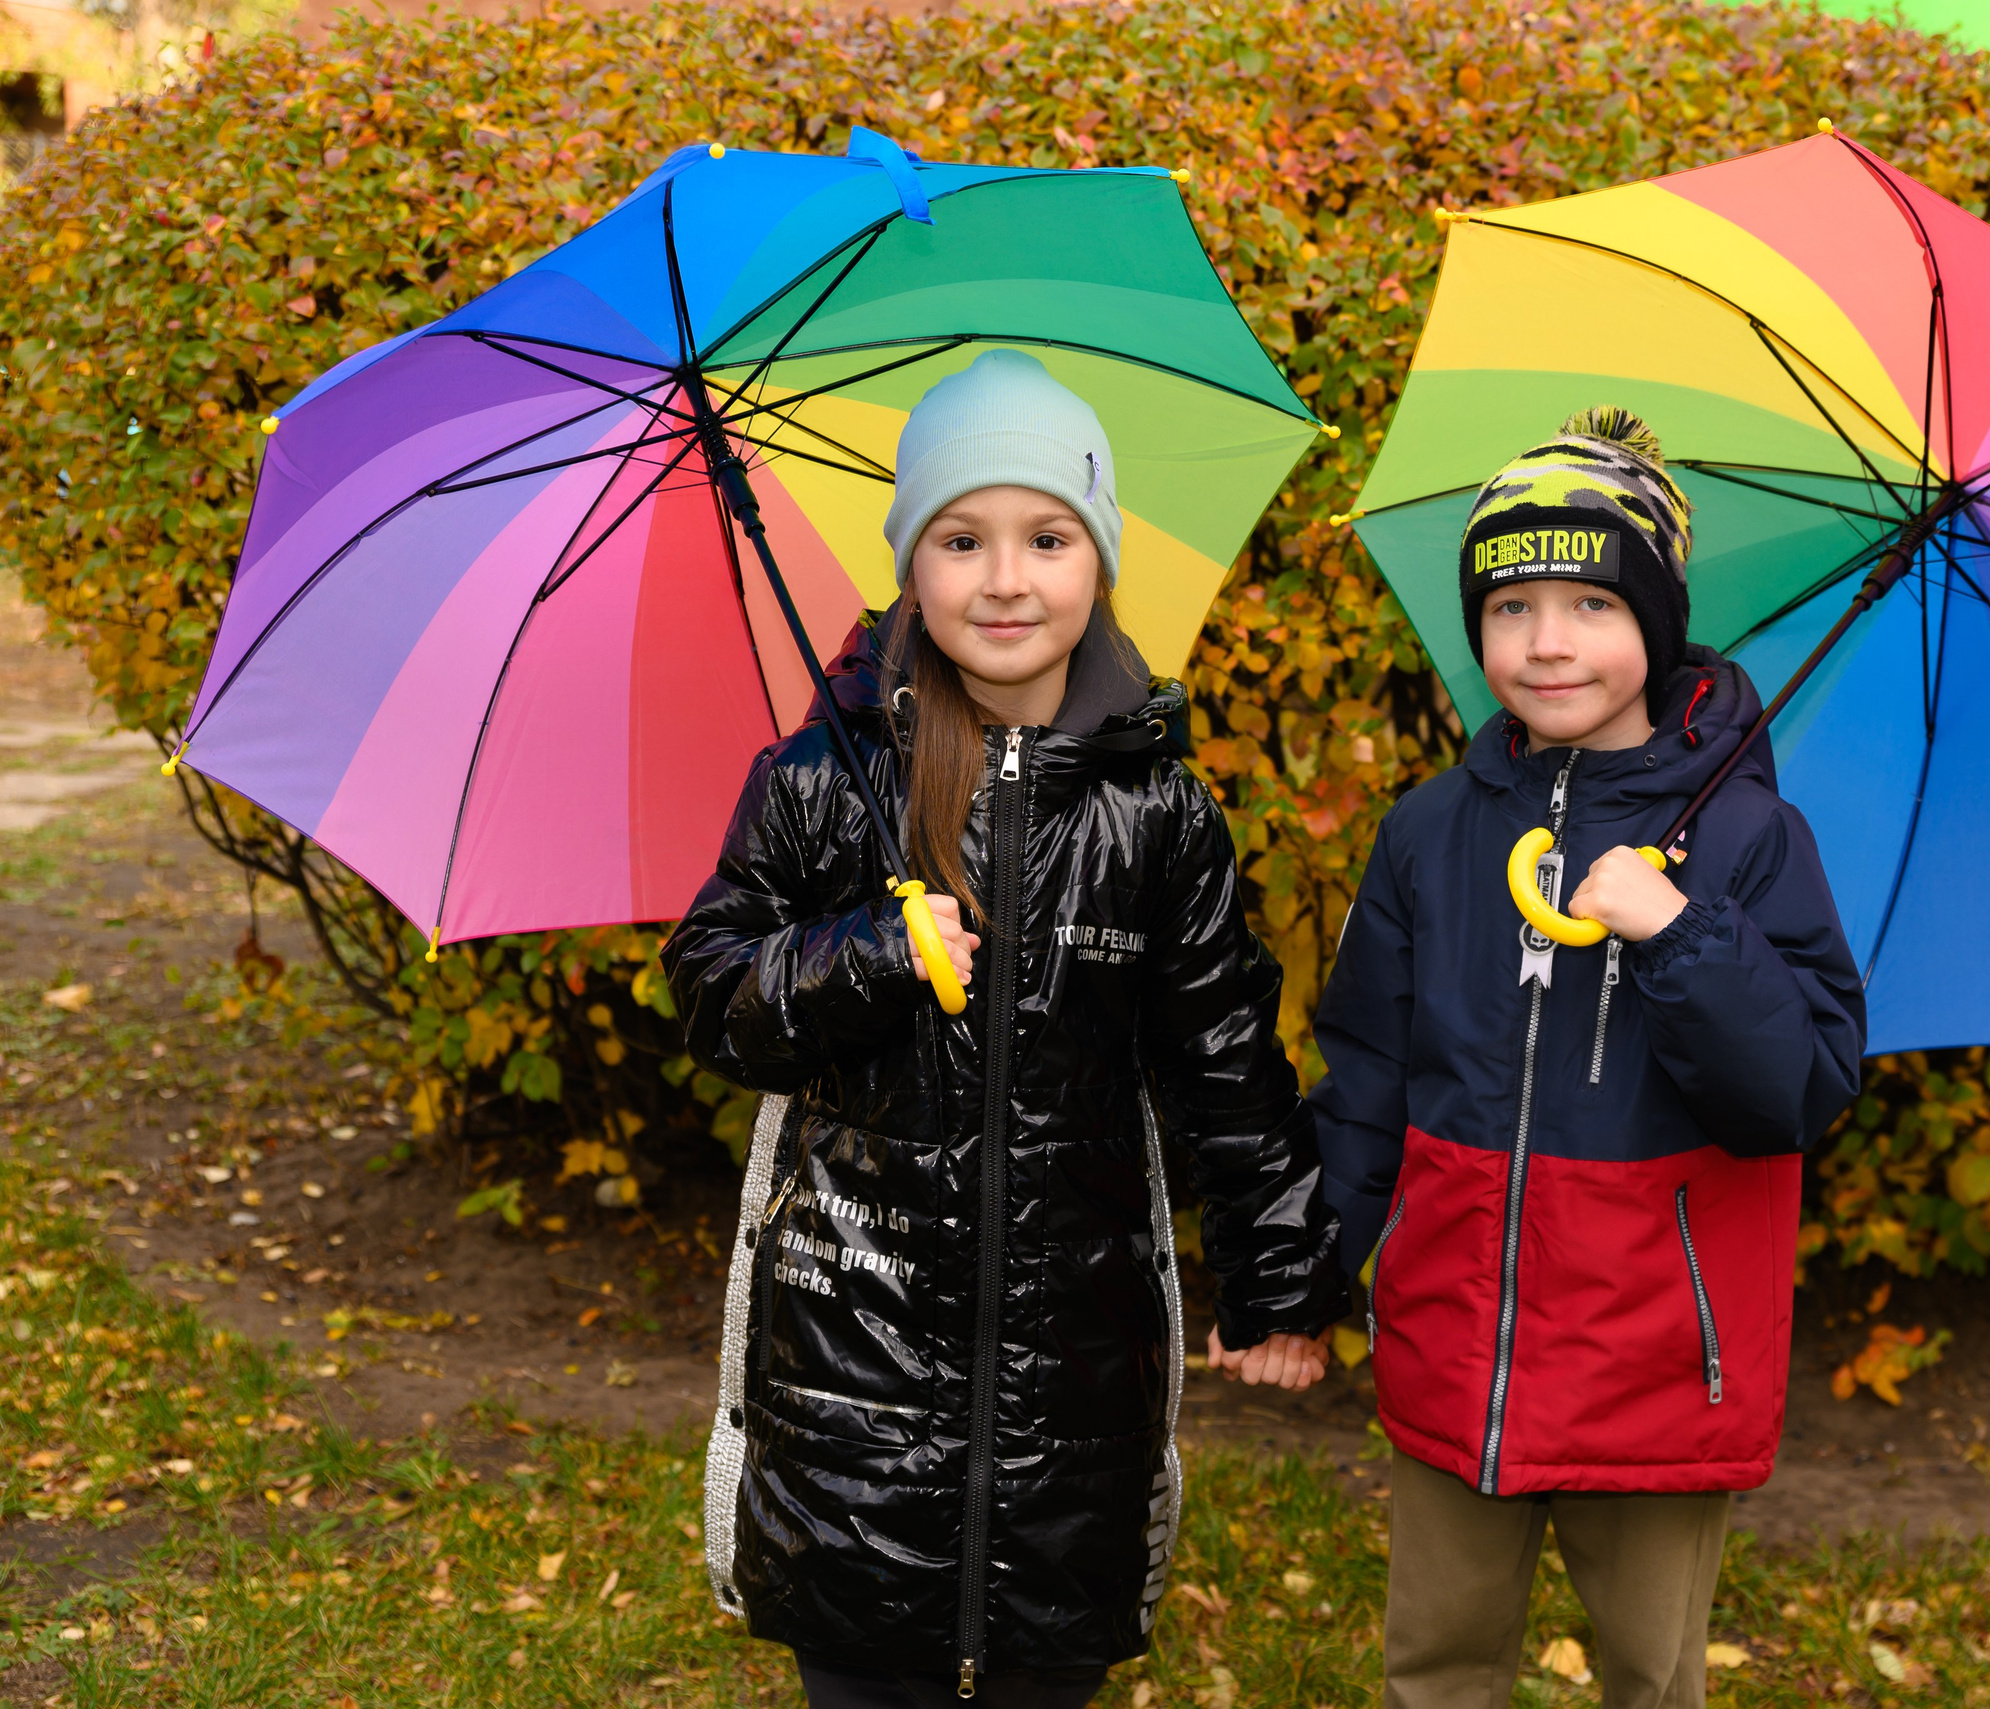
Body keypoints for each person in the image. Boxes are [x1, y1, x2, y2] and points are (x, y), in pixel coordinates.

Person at [665, 349, 1344, 1709]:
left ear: (1098, 559)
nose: (1005, 578)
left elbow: (1222, 1053)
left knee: (1047, 1671)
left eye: (1047, 536)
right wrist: (862, 955)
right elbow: (714, 990)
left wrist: (1279, 1276)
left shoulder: (1158, 811)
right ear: (913, 562)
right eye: (961, 539)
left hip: (1070, 1389)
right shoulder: (823, 784)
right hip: (854, 1371)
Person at [1310, 408, 1866, 1709]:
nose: (1547, 641)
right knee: (1437, 1659)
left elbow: (1797, 1088)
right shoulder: (1433, 832)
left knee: (1650, 1672)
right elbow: (1369, 1070)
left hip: (1658, 1353)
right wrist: (1300, 1270)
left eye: (1589, 603)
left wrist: (1682, 932)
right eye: (1511, 606)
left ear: (1656, 623)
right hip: (1461, 1331)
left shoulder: (1745, 841)